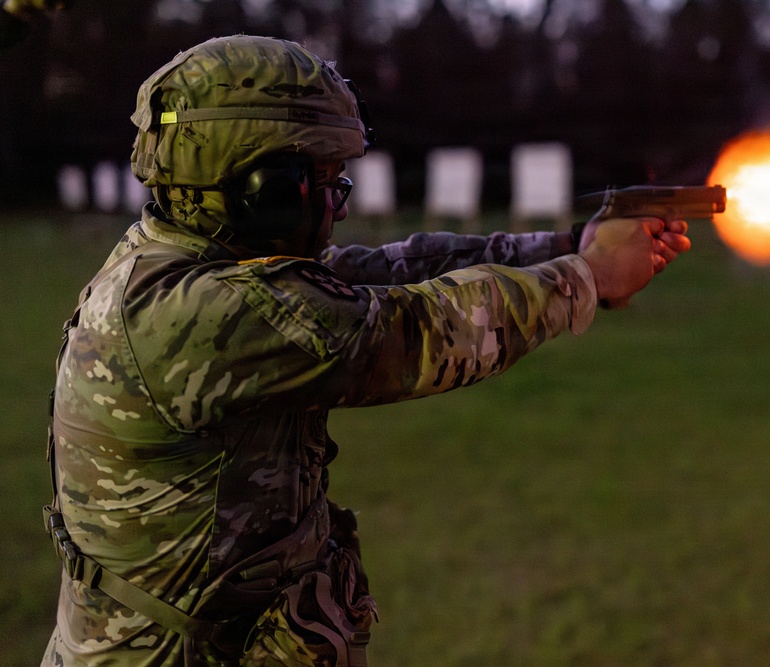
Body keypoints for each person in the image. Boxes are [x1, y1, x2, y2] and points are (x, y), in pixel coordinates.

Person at [41, 35, 690, 667]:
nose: (337, 208)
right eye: (323, 182)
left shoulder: (177, 261)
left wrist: (574, 244)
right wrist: (587, 278)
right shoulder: (200, 312)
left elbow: (388, 270)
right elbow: (415, 328)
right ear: (259, 185)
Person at [0, 0, 69, 50]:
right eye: (61, 4)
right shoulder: (42, 3)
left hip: (13, 12)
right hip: (11, 11)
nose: (59, 8)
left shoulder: (46, 6)